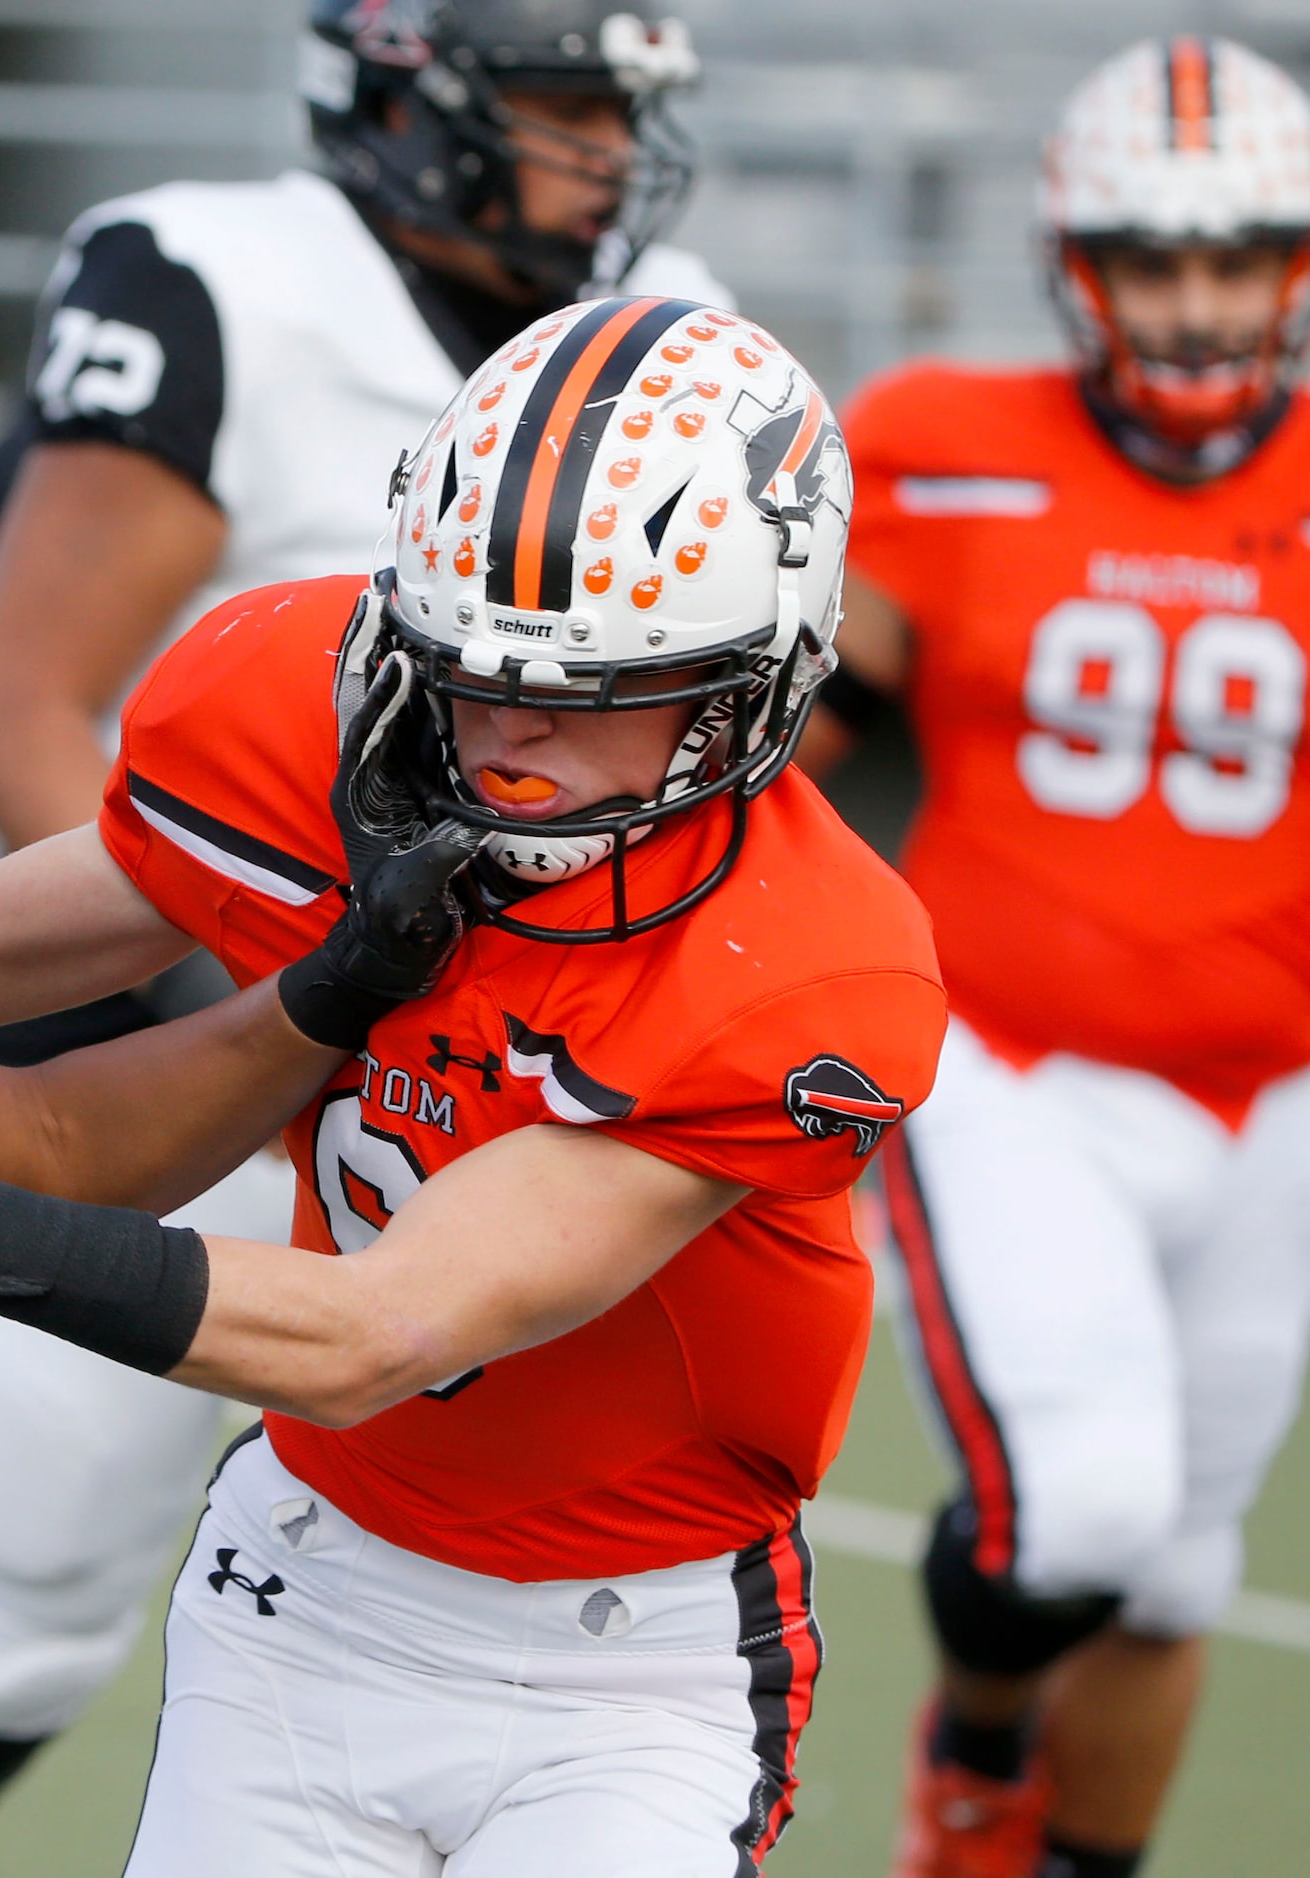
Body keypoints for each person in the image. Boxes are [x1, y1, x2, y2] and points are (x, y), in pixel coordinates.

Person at [0, 303, 949, 1876]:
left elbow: (374, 1335)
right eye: (466, 667)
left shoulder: (813, 966)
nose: (510, 738)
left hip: (629, 1671)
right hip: (312, 1589)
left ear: (760, 678)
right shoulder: (307, 705)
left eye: (597, 689)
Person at [0, 4, 727, 1870]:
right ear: (408, 99)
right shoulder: (215, 277)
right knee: (19, 1609)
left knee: (482, 1575)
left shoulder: (670, 324)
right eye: (560, 110)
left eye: (620, 117)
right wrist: (292, 997)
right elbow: (39, 699)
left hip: (485, 1077)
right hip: (177, 1013)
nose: (606, 157)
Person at [800, 38, 1310, 1878]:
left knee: (1174, 1575)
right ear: (1075, 267)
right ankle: (976, 1746)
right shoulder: (937, 445)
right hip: (1011, 1059)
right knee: (1076, 1517)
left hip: (1276, 1098)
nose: (1194, 303)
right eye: (1153, 259)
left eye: (1233, 258)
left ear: (1291, 265)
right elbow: (786, 742)